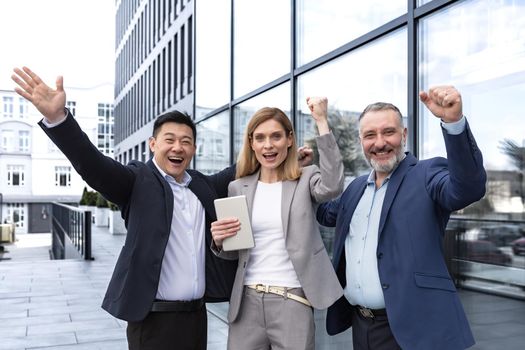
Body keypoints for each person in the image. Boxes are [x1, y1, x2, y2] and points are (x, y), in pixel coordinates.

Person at [11, 66, 241, 350]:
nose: (178, 147)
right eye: (170, 140)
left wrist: (297, 155)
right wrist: (59, 119)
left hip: (197, 318)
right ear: (153, 144)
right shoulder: (137, 181)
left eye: (186, 142)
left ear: (194, 149)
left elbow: (240, 170)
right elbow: (92, 164)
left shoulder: (203, 186)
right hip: (153, 321)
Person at [316, 86, 486, 350]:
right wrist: (299, 174)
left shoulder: (427, 174)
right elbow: (324, 212)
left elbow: (468, 188)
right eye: (370, 135)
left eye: (389, 132)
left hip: (415, 330)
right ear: (361, 141)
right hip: (362, 326)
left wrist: (453, 123)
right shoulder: (355, 189)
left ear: (404, 135)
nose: (380, 142)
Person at [210, 98, 345, 349]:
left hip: (292, 300)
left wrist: (322, 122)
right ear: (251, 143)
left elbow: (333, 185)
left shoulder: (306, 178)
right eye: (260, 138)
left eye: (276, 136)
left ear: (290, 139)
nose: (268, 145)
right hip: (246, 304)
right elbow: (235, 251)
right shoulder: (238, 187)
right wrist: (219, 241)